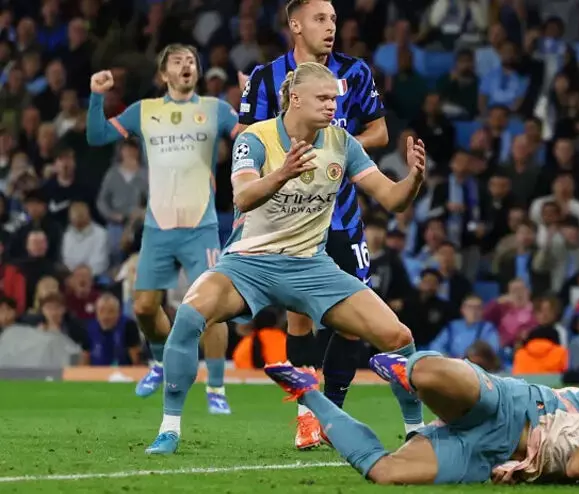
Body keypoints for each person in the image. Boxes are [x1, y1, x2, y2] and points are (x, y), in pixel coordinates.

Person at [145, 61, 426, 455]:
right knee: (190, 315)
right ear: (295, 98)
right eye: (323, 98)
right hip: (248, 264)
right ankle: (169, 429)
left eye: (334, 99)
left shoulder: (342, 142)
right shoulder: (255, 138)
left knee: (399, 337)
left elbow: (393, 200)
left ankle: (417, 433)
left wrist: (413, 180)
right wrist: (283, 173)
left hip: (311, 266)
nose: (332, 106)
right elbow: (243, 196)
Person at [238, 0, 389, 450]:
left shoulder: (355, 71)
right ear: (296, 25)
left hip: (341, 216)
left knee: (352, 323)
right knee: (300, 316)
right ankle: (307, 417)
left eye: (334, 19)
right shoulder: (266, 77)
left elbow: (380, 132)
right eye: (321, 19)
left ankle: (332, 412)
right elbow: (246, 138)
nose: (330, 26)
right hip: (290, 217)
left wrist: (334, 150)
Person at [266, 352, 579, 487]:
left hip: (494, 457)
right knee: (433, 377)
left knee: (384, 472)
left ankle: (309, 393)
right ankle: (408, 369)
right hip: (515, 408)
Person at [85, 44, 241, 414]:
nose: (187, 65)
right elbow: (97, 136)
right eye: (177, 61)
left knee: (213, 308)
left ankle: (216, 387)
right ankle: (160, 362)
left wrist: (254, 103)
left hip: (201, 226)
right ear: (163, 74)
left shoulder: (216, 109)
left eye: (191, 61)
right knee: (143, 307)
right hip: (158, 228)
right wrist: (96, 96)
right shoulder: (145, 111)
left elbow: (253, 137)